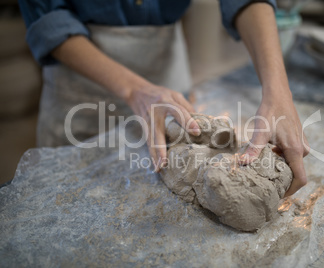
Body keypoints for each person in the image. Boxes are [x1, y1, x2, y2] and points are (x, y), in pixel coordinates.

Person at [19, 0, 308, 196]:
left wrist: (277, 89)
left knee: (179, 157)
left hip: (167, 78)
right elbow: (48, 19)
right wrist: (133, 90)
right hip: (82, 85)